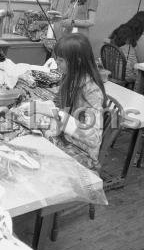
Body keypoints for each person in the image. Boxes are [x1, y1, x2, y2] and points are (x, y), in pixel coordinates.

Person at [41, 33, 106, 170]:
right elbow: (59, 105)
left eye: (60, 61)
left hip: (82, 153)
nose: (56, 64)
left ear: (77, 61)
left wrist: (61, 118)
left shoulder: (92, 92)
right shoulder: (70, 79)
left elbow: (93, 137)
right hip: (66, 138)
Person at [109, 11, 144, 82]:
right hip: (126, 75)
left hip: (111, 70)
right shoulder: (140, 38)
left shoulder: (119, 30)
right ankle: (138, 92)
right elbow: (143, 62)